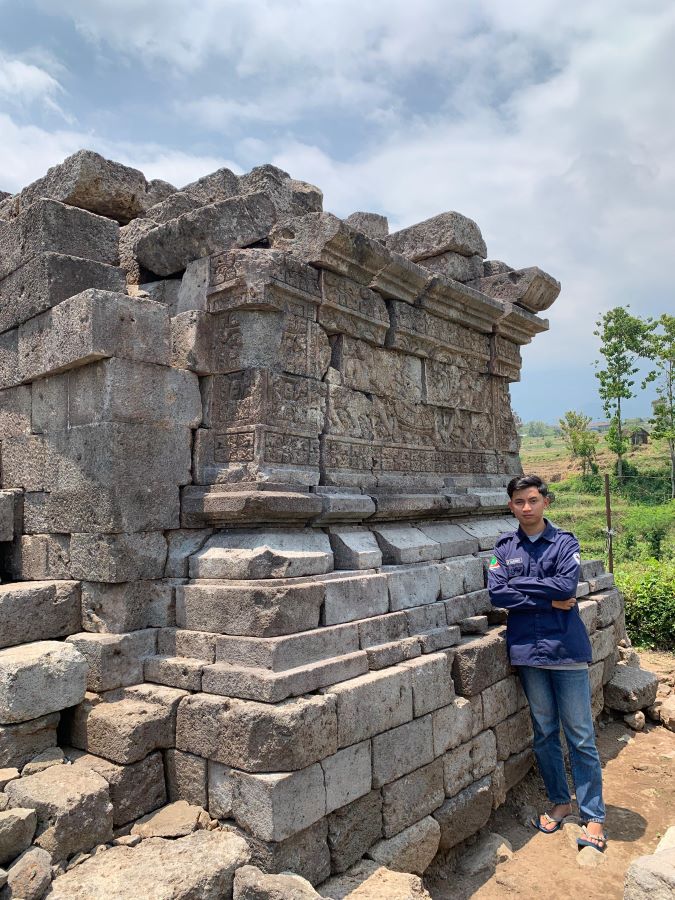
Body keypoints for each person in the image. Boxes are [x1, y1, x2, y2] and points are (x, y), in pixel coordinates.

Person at [488, 474, 607, 853]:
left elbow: (565, 589)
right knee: (543, 731)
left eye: (533, 500)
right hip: (527, 652)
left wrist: (524, 589)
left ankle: (593, 816)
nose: (527, 507)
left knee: (581, 735)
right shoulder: (503, 547)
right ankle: (560, 801)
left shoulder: (565, 542)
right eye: (520, 501)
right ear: (511, 506)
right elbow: (496, 592)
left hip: (565, 649)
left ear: (545, 502)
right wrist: (545, 595)